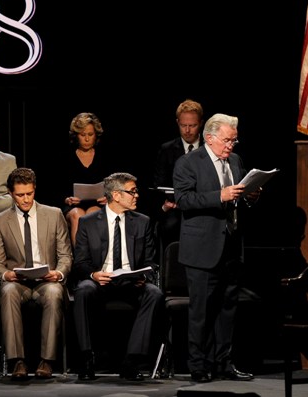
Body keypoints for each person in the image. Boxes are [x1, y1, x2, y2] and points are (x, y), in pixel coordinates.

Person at [172, 112, 261, 383]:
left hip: (230, 246)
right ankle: (198, 365)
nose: (231, 145)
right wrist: (219, 196)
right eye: (227, 140)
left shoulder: (235, 161)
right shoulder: (188, 162)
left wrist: (251, 196)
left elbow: (239, 198)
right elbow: (184, 200)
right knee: (201, 312)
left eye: (234, 140)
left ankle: (224, 363)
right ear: (210, 138)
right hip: (201, 248)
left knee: (227, 310)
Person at [72, 171, 164, 381]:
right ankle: (86, 359)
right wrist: (94, 274)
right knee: (83, 290)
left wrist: (142, 276)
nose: (136, 195)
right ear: (116, 195)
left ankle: (132, 361)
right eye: (132, 191)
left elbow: (151, 261)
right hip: (100, 283)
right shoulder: (88, 222)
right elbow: (80, 262)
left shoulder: (143, 222)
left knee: (154, 293)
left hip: (131, 283)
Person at [0, 167, 72, 380]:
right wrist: (6, 275)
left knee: (54, 292)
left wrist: (58, 273)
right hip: (18, 283)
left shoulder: (54, 214)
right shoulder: (0, 220)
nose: (26, 199)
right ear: (10, 193)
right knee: (7, 291)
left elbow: (65, 255)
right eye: (20, 195)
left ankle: (47, 361)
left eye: (30, 193)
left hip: (47, 281)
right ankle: (17, 361)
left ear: (35, 189)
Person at [152, 99, 204, 250]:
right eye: (183, 125)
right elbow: (159, 183)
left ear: (201, 123)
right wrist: (168, 201)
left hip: (204, 206)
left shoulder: (210, 148)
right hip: (176, 208)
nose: (187, 130)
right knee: (170, 225)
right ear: (177, 123)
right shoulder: (167, 149)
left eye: (192, 125)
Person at [61, 112, 109, 247]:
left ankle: (94, 256)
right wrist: (67, 199)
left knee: (93, 213)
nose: (87, 139)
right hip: (73, 205)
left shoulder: (105, 156)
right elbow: (56, 187)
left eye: (90, 134)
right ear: (76, 136)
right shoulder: (66, 157)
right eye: (83, 135)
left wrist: (108, 197)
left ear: (96, 135)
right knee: (78, 215)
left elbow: (114, 183)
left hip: (98, 204)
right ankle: (80, 258)